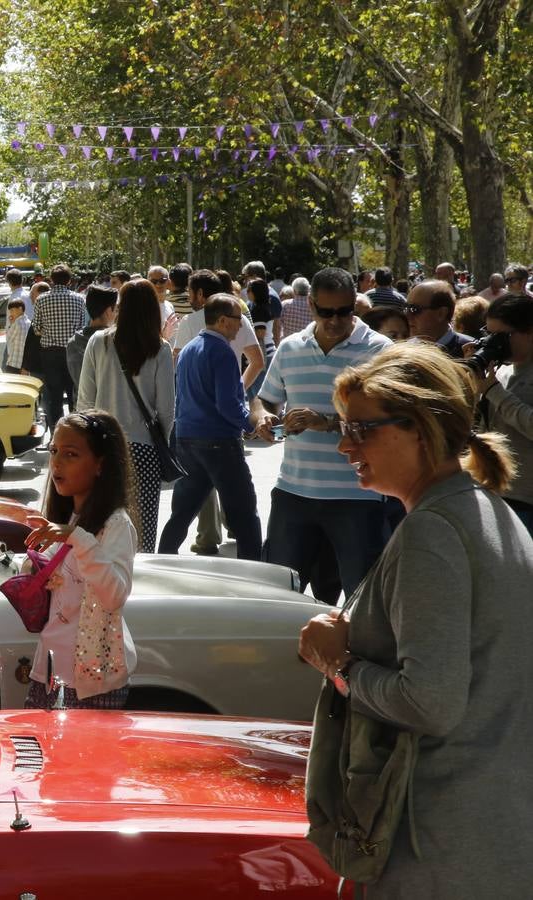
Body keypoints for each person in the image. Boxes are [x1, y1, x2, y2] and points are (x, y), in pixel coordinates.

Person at [299, 341, 533, 897]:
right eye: (342, 427)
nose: (342, 445)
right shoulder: (481, 513)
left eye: (361, 429)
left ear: (422, 426)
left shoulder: (435, 532)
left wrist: (339, 666)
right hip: (483, 835)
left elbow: (430, 700)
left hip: (438, 845)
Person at [251, 267, 392, 602]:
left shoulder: (379, 350)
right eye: (326, 312)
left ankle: (359, 655)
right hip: (294, 493)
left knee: (363, 599)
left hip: (357, 497)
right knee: (279, 594)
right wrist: (263, 417)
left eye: (344, 312)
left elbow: (391, 422)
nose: (335, 320)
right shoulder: (290, 348)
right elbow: (265, 397)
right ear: (311, 305)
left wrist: (326, 422)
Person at [21, 411, 139, 709]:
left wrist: (77, 537)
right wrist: (34, 568)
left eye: (71, 454)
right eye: (54, 451)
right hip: (47, 672)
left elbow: (114, 595)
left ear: (101, 465)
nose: (57, 463)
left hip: (91, 683)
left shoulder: (115, 524)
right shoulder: (66, 518)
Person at [157, 295, 263, 560]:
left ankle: (163, 558)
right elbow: (228, 404)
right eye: (239, 319)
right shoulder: (222, 352)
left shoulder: (189, 348)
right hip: (219, 442)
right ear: (223, 320)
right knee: (244, 513)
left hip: (188, 439)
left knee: (182, 512)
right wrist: (250, 424)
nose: (242, 325)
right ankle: (254, 570)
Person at [77, 279, 173, 553]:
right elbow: (167, 409)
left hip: (103, 450)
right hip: (144, 451)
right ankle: (138, 584)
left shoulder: (99, 341)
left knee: (101, 525)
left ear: (121, 307)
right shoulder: (160, 348)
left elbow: (84, 400)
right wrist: (159, 443)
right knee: (141, 530)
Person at [478, 293, 533, 532]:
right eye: (488, 334)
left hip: (528, 502)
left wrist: (495, 392)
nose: (494, 342)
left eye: (501, 335)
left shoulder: (496, 384)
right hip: (495, 493)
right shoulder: (500, 374)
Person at [34, 264, 89, 428]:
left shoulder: (41, 299)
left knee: (54, 396)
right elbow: (82, 326)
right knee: (74, 392)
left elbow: (36, 328)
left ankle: (55, 432)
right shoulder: (79, 299)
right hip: (74, 351)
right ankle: (76, 428)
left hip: (50, 353)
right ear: (69, 280)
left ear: (51, 280)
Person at [66, 283, 118, 390]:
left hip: (82, 403)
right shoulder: (114, 341)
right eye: (116, 309)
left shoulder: (73, 342)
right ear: (109, 311)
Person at [405, 279, 473, 358]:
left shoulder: (470, 351)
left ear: (441, 313)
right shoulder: (404, 351)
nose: (407, 316)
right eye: (406, 309)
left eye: (414, 309)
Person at [246, 278, 280, 398]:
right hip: (267, 351)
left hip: (263, 352)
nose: (247, 292)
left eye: (249, 290)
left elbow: (260, 333)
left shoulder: (258, 309)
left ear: (255, 292)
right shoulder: (264, 306)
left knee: (257, 392)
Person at [3, 297, 30, 374]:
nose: (11, 313)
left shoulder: (17, 323)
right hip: (24, 364)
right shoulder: (29, 322)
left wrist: (11, 324)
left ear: (20, 309)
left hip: (14, 362)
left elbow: (9, 338)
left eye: (12, 310)